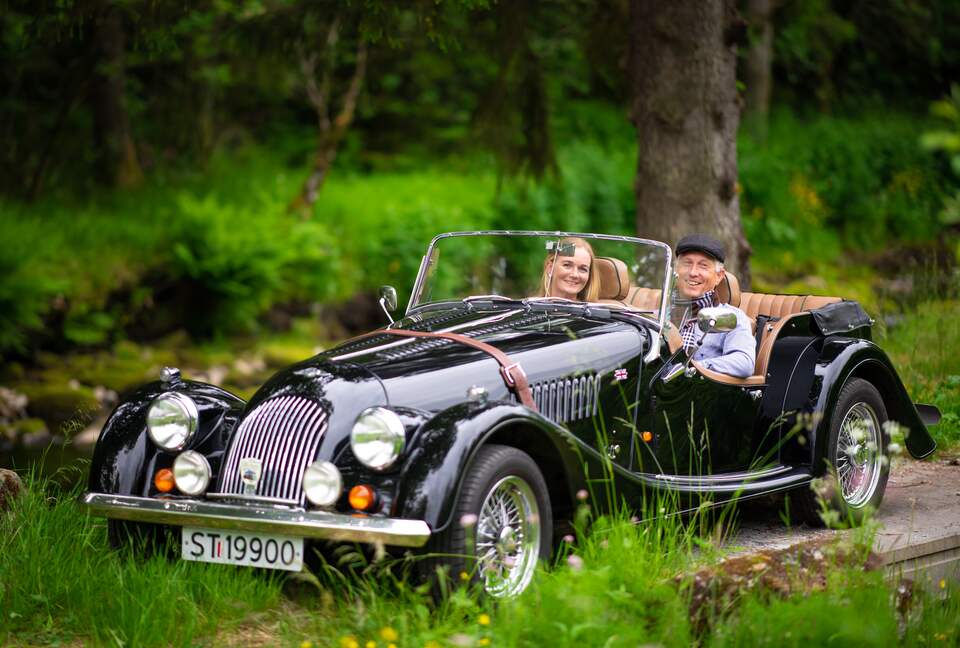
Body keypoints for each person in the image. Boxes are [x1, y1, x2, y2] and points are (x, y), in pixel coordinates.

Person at [672, 234, 755, 378]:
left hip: (701, 389)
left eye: (703, 266)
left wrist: (694, 368)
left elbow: (744, 362)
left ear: (719, 276)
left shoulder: (731, 317)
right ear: (676, 270)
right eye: (687, 263)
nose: (693, 272)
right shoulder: (661, 313)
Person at [539, 237, 600, 301]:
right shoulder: (532, 305)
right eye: (567, 265)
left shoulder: (598, 307)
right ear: (550, 268)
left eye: (583, 269)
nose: (575, 275)